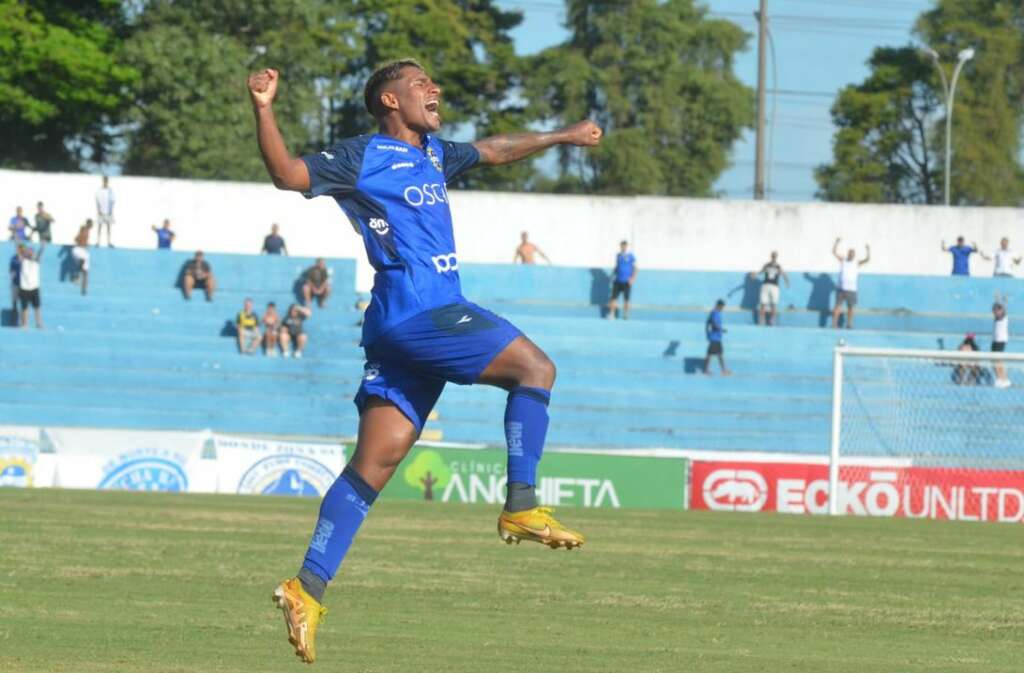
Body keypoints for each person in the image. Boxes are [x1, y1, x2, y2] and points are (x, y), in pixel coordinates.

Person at [248, 60, 601, 662]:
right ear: (389, 99)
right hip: (422, 312)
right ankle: (520, 504)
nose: (432, 88)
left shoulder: (436, 153)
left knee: (372, 468)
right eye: (419, 83)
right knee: (536, 369)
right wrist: (263, 106)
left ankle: (305, 588)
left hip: (397, 328)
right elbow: (286, 174)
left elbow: (493, 149)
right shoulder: (361, 156)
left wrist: (560, 136)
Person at [831, 238, 870, 329]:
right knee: (837, 307)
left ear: (854, 255)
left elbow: (867, 259)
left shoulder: (856, 263)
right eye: (850, 253)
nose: (851, 255)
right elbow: (834, 252)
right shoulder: (843, 260)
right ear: (848, 254)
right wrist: (836, 242)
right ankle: (834, 324)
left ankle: (849, 324)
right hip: (841, 289)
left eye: (853, 254)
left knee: (851, 308)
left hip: (852, 290)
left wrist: (868, 250)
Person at [750, 251, 790, 326]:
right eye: (773, 256)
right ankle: (761, 321)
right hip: (766, 285)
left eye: (775, 256)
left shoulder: (778, 266)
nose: (774, 257)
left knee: (774, 304)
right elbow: (761, 271)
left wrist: (787, 282)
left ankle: (771, 321)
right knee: (763, 304)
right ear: (771, 256)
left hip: (774, 286)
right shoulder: (767, 265)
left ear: (776, 257)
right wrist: (755, 274)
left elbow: (784, 274)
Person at [606, 240, 637, 320]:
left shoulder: (631, 256)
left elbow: (635, 268)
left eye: (624, 246)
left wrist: (632, 278)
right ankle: (612, 314)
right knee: (613, 298)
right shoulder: (618, 255)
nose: (623, 247)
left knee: (626, 299)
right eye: (622, 246)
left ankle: (626, 315)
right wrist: (612, 275)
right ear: (620, 246)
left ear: (627, 246)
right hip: (617, 281)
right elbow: (616, 266)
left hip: (627, 282)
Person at [17, 245, 43, 329]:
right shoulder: (23, 260)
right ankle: (24, 324)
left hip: (34, 287)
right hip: (24, 287)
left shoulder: (36, 261)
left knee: (37, 307)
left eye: (31, 251)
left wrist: (42, 247)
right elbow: (19, 252)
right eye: (29, 251)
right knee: (24, 307)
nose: (30, 253)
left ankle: (38, 323)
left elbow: (40, 254)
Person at [703, 299, 730, 375]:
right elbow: (713, 324)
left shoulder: (716, 313)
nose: (722, 308)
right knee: (710, 354)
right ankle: (705, 370)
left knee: (720, 354)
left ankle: (723, 370)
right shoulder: (714, 313)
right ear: (718, 305)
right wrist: (721, 329)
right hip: (714, 338)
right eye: (722, 307)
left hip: (717, 338)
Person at [992, 300, 1011, 389]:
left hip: (1000, 341)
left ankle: (1003, 379)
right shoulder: (996, 318)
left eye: (997, 310)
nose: (995, 312)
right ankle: (1000, 378)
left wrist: (1002, 302)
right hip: (995, 341)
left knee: (998, 360)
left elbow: (1004, 309)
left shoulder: (1004, 317)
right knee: (994, 361)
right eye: (994, 310)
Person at [71, 220, 92, 295]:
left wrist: (86, 244)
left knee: (86, 272)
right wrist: (81, 237)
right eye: (90, 224)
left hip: (84, 251)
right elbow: (76, 239)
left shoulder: (87, 231)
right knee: (82, 260)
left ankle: (84, 289)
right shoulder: (83, 229)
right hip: (78, 250)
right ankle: (77, 277)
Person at [95, 175, 115, 247]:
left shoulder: (110, 190)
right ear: (103, 181)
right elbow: (97, 200)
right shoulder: (99, 190)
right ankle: (98, 242)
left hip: (108, 211)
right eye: (104, 181)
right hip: (101, 211)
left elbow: (113, 201)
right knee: (99, 226)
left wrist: (111, 211)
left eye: (106, 181)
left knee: (108, 227)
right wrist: (98, 209)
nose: (105, 182)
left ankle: (109, 242)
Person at [9, 243, 24, 312]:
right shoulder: (13, 259)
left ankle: (23, 319)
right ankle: (14, 316)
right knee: (14, 301)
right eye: (18, 249)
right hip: (15, 283)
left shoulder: (26, 259)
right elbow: (11, 271)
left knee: (24, 302)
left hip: (24, 285)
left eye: (21, 249)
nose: (19, 250)